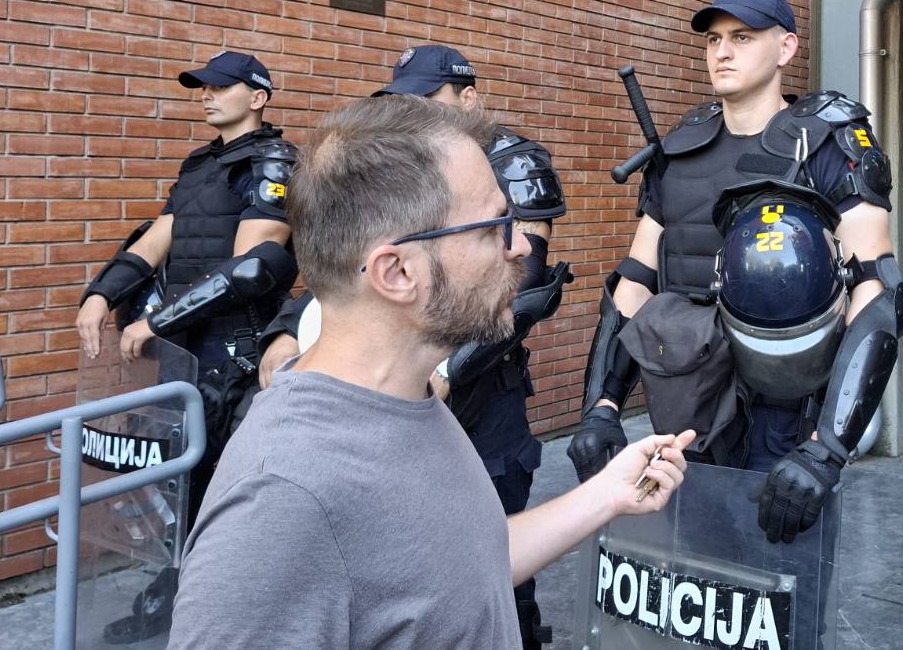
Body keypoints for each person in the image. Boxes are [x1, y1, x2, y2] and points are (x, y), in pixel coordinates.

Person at [166, 96, 692, 650]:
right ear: (397, 272)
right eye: (494, 226)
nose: (519, 246)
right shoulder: (280, 501)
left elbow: (461, 568)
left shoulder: (408, 400)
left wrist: (607, 496)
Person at [566, 0, 903, 545]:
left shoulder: (828, 144)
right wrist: (601, 405)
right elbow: (634, 283)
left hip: (786, 422)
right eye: (713, 39)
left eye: (743, 36)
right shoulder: (679, 150)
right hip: (685, 411)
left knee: (779, 607)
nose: (721, 51)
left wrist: (826, 450)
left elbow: (879, 294)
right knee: (693, 592)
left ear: (786, 48)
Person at [255, 45, 569, 649]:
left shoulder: (510, 161)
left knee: (495, 569)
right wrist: (289, 330)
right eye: (404, 101)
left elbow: (521, 282)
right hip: (394, 392)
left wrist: (448, 369)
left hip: (477, 391)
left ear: (468, 97)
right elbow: (351, 254)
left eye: (428, 99)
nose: (415, 112)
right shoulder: (278, 485)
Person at [75, 50, 298, 643]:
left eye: (221, 87)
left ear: (258, 97)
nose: (206, 95)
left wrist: (158, 322)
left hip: (237, 350)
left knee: (227, 486)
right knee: (181, 483)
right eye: (202, 86)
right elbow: (157, 240)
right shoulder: (199, 165)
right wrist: (101, 294)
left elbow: (253, 268)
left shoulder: (274, 161)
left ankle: (233, 612)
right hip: (183, 350)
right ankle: (182, 599)